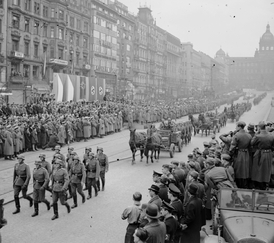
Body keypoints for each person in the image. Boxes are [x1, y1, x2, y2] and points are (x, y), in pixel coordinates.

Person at [251, 121, 274, 190]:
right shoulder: (271, 135)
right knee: (267, 169)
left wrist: (257, 133)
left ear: (259, 127)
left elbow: (252, 143)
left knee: (259, 169)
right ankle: (266, 184)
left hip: (260, 154)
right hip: (269, 153)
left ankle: (260, 185)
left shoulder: (258, 136)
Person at [229, 121, 252, 189]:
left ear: (239, 127)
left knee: (238, 169)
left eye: (237, 126)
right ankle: (245, 184)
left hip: (239, 154)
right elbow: (250, 146)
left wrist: (231, 153)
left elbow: (232, 147)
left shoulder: (236, 135)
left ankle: (240, 185)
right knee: (246, 169)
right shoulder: (248, 135)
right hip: (246, 154)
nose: (236, 127)